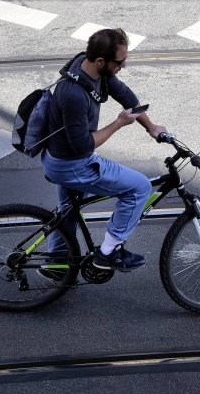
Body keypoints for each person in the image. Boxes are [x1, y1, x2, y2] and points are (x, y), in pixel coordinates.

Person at [41, 28, 166, 271]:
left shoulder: (90, 66)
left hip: (60, 157)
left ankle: (57, 264)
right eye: (120, 62)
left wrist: (151, 128)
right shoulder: (74, 94)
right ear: (101, 61)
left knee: (68, 210)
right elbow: (84, 145)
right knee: (139, 187)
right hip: (72, 164)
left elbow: (125, 95)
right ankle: (109, 252)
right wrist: (119, 123)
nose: (124, 66)